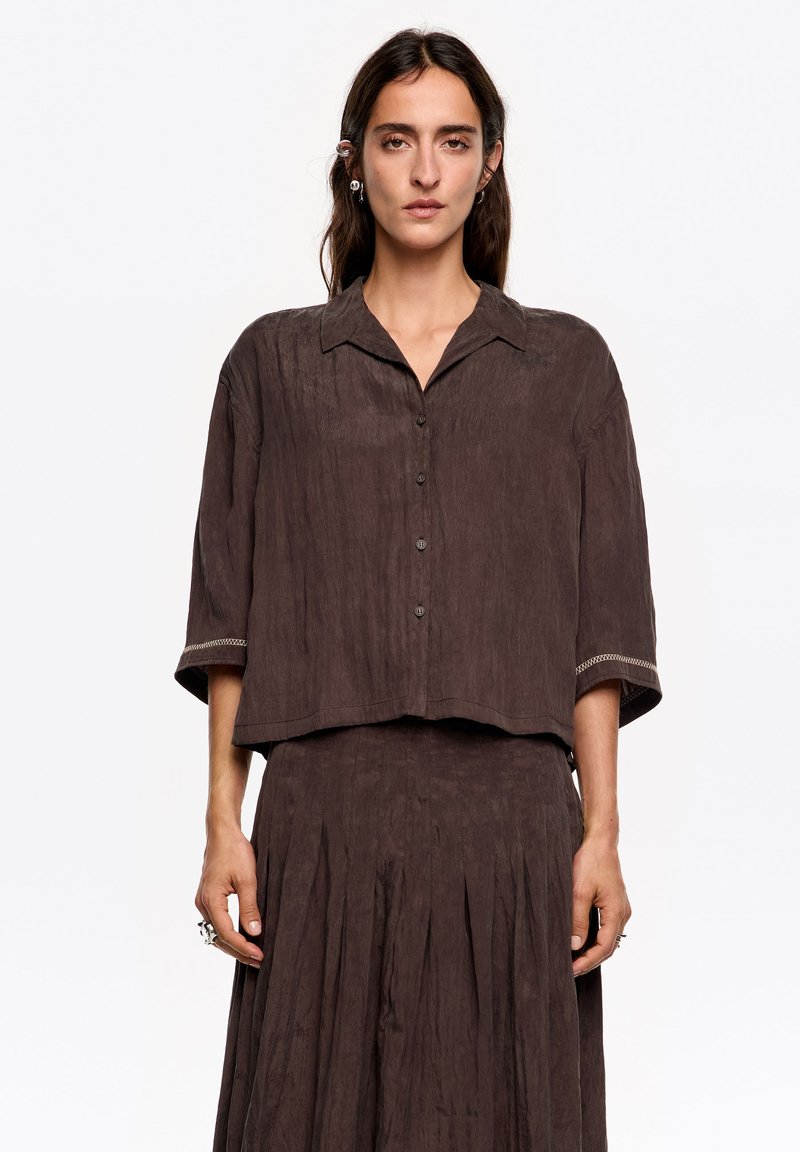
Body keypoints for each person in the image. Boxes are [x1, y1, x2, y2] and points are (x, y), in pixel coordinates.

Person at [175, 26, 662, 1152]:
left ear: (490, 162)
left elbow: (600, 624)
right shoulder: (274, 366)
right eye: (397, 142)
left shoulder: (567, 368)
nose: (425, 171)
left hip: (511, 829)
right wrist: (221, 825)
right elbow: (230, 620)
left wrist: (600, 834)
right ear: (355, 160)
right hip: (323, 825)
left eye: (453, 141)